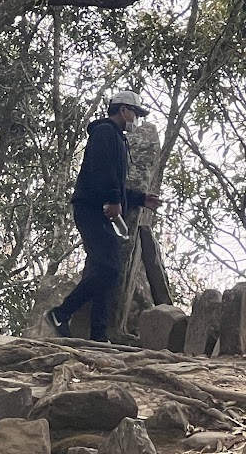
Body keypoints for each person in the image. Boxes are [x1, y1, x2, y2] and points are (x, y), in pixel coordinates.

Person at [49, 90, 162, 341]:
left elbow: (117, 183)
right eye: (136, 113)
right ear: (123, 110)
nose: (137, 118)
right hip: (91, 209)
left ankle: (99, 334)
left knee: (106, 269)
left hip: (102, 211)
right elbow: (102, 170)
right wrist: (112, 199)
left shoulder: (117, 138)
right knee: (109, 268)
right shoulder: (104, 133)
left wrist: (140, 199)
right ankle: (60, 313)